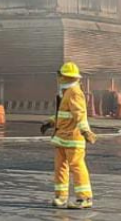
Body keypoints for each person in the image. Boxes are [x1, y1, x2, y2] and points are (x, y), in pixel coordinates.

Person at [41, 62, 97, 209]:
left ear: (66, 77)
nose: (59, 78)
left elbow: (80, 114)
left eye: (61, 76)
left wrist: (85, 131)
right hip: (62, 138)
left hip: (73, 139)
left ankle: (84, 198)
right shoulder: (66, 92)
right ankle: (61, 196)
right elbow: (64, 114)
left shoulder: (74, 92)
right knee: (60, 167)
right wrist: (50, 122)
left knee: (77, 167)